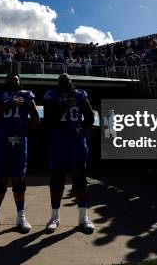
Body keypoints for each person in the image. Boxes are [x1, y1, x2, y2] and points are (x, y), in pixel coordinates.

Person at [0, 74, 39, 233]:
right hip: (2, 142)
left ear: (20, 83)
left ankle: (21, 216)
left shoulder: (26, 95)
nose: (12, 81)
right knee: (0, 178)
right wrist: (8, 103)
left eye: (16, 80)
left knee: (19, 178)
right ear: (5, 82)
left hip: (19, 143)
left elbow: (35, 118)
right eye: (10, 79)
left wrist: (24, 131)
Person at [43, 73, 95, 233]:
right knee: (57, 177)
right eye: (63, 82)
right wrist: (62, 108)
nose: (66, 84)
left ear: (72, 82)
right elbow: (48, 121)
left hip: (77, 141)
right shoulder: (51, 96)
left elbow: (90, 117)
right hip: (59, 141)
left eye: (68, 81)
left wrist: (79, 127)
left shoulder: (79, 95)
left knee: (80, 177)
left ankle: (83, 217)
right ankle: (54, 217)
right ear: (58, 84)